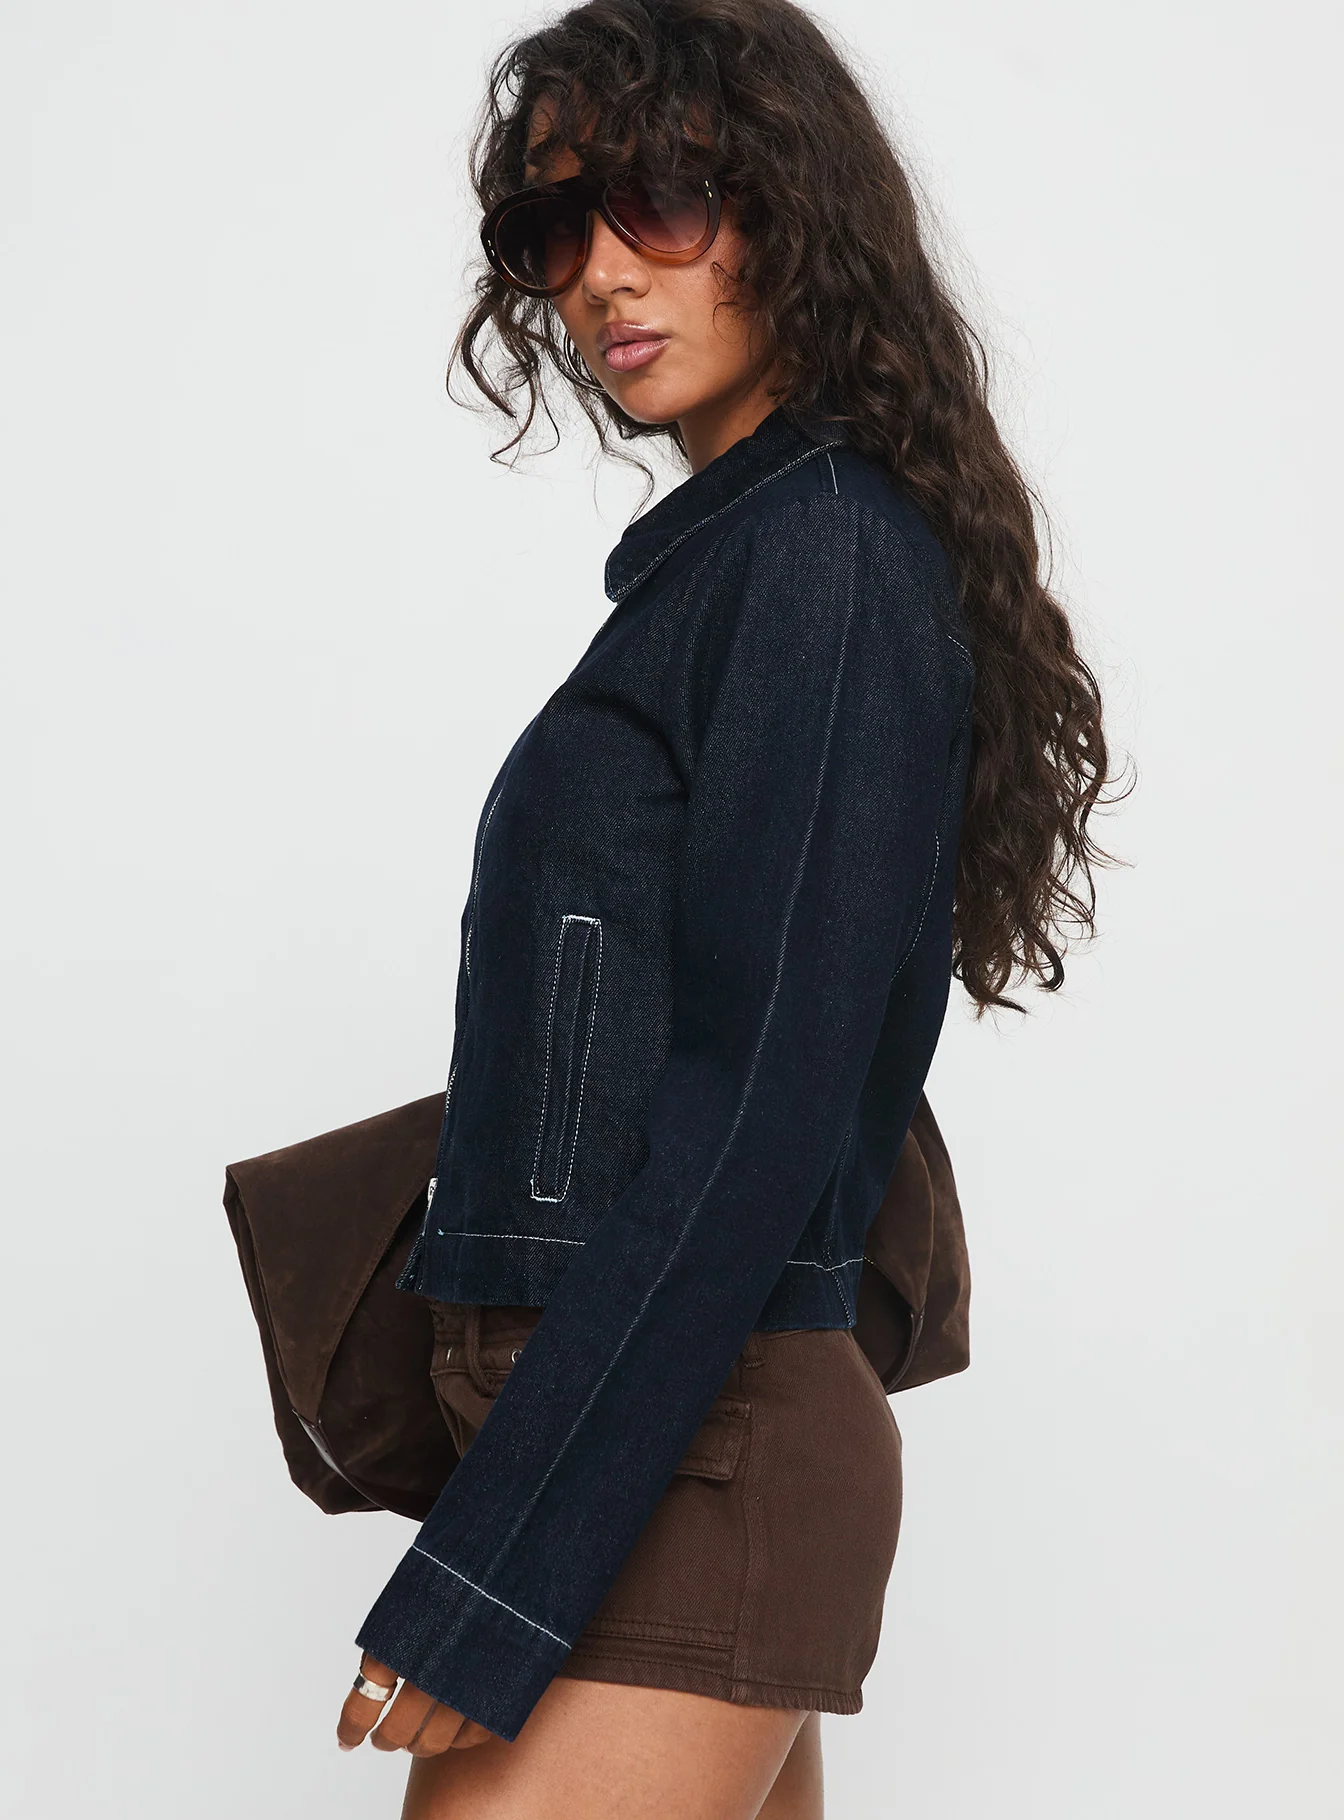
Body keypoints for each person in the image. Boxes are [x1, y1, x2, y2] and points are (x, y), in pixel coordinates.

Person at [333, 2, 1114, 1813]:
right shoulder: (742, 566)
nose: (605, 270)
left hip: (697, 1448)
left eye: (664, 200)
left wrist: (495, 1574)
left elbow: (759, 1110)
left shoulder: (820, 559)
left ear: (787, 207)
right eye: (555, 225)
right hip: (667, 1426)